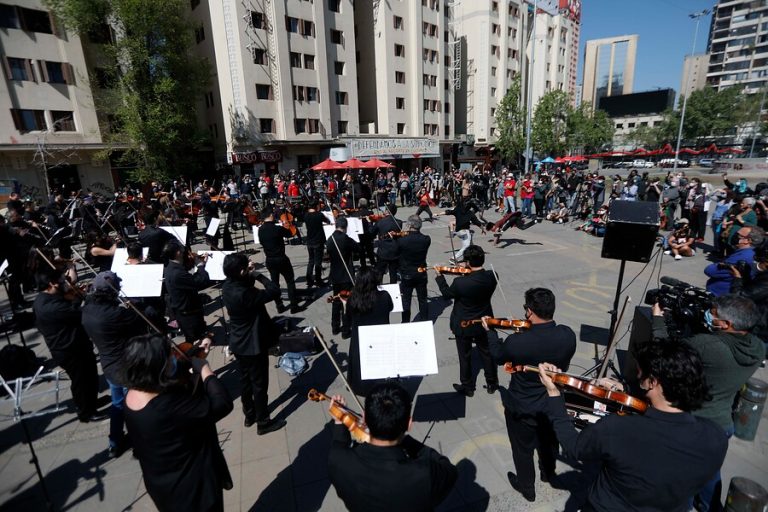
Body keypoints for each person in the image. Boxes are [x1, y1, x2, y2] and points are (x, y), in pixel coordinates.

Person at [538, 340, 728, 512]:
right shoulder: (716, 437)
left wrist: (554, 394)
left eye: (639, 377)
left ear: (653, 382)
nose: (638, 381)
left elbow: (574, 448)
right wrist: (626, 390)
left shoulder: (618, 429)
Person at [652, 295, 765, 511]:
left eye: (714, 313)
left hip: (694, 424)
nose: (709, 314)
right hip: (722, 425)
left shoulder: (708, 345)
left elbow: (665, 352)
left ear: (726, 324)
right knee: (710, 472)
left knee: (682, 479)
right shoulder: (757, 348)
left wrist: (658, 319)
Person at [484, 287, 576, 502]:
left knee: (522, 449)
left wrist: (490, 330)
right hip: (552, 404)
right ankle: (547, 472)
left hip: (522, 406)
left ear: (529, 312)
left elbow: (498, 355)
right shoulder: (567, 335)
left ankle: (527, 487)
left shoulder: (517, 343)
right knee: (549, 442)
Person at [122, 334, 233, 512]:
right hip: (193, 488)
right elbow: (222, 404)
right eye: (168, 359)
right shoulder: (166, 407)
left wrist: (194, 352)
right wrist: (205, 370)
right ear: (156, 368)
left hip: (162, 483)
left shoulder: (131, 395)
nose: (171, 360)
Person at [327, 382, 458, 511]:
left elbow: (339, 445)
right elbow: (449, 471)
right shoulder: (425, 475)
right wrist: (409, 442)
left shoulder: (338, 460)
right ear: (409, 424)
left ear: (365, 418)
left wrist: (339, 421)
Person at [81, 271, 147, 457]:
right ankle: (139, 442)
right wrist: (135, 307)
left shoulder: (87, 309)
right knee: (133, 405)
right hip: (126, 365)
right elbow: (139, 323)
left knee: (117, 404)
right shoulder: (115, 314)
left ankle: (114, 442)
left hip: (108, 364)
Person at [221, 253, 287, 434]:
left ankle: (249, 415)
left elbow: (244, 282)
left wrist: (246, 274)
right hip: (253, 343)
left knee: (245, 381)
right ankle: (263, 421)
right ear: (242, 271)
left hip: (238, 341)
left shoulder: (227, 287)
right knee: (259, 384)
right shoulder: (247, 294)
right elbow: (274, 290)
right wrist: (258, 274)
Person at [33, 265, 106, 423]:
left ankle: (91, 403)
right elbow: (78, 312)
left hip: (73, 345)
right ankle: (86, 412)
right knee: (82, 381)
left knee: (90, 376)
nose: (63, 282)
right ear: (52, 283)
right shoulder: (51, 307)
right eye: (60, 280)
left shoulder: (44, 299)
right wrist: (80, 296)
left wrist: (72, 293)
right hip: (69, 349)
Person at [435, 245, 498, 397]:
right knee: (486, 353)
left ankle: (468, 386)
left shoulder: (460, 283)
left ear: (468, 262)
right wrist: (467, 269)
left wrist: (440, 276)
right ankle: (491, 383)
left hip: (463, 323)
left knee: (465, 356)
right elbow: (475, 281)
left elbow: (447, 294)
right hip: (484, 321)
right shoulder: (492, 276)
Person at [345, 268, 394, 396]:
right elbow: (391, 307)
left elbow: (349, 318)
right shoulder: (384, 296)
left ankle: (360, 387)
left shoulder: (352, 300)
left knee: (360, 363)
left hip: (360, 338)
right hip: (380, 336)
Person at [163, 241, 211, 342]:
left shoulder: (170, 265)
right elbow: (201, 281)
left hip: (185, 310)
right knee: (194, 340)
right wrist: (200, 266)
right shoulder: (177, 273)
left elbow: (186, 275)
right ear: (177, 253)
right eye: (181, 250)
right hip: (188, 314)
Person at [257, 208, 300, 313]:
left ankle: (279, 306)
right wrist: (286, 224)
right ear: (270, 215)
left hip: (270, 260)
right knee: (290, 281)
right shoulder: (277, 229)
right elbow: (290, 233)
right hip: (281, 258)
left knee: (275, 284)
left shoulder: (260, 230)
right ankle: (294, 306)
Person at [704, 225, 763, 296]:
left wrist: (718, 264)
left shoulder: (744, 256)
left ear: (748, 240)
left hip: (719, 296)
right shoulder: (748, 252)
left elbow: (710, 270)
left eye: (739, 235)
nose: (734, 236)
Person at [326, 216, 359, 338]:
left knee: (336, 301)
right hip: (346, 275)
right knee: (346, 302)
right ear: (345, 227)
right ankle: (345, 330)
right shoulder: (346, 239)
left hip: (335, 275)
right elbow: (357, 248)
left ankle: (335, 327)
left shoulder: (330, 239)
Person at [396, 215, 431, 323]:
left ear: (410, 225)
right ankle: (424, 320)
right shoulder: (426, 239)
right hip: (421, 272)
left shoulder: (402, 240)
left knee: (406, 300)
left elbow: (397, 253)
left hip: (407, 273)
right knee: (422, 299)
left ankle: (405, 321)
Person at [437, 198, 486, 263]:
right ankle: (453, 258)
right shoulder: (470, 213)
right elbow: (477, 222)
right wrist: (482, 229)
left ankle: (467, 258)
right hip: (464, 231)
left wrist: (438, 214)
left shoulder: (458, 209)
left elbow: (448, 212)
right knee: (466, 247)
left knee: (468, 244)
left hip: (458, 232)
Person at [371, 204, 402, 284]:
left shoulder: (380, 222)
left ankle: (379, 287)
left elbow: (372, 233)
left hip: (383, 250)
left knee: (380, 272)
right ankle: (393, 288)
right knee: (393, 272)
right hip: (395, 249)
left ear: (387, 211)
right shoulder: (399, 222)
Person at [303, 199, 331, 288]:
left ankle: (309, 279)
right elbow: (328, 221)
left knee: (311, 260)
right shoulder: (319, 215)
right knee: (318, 262)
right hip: (318, 240)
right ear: (316, 206)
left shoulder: (306, 215)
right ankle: (318, 280)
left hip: (309, 240)